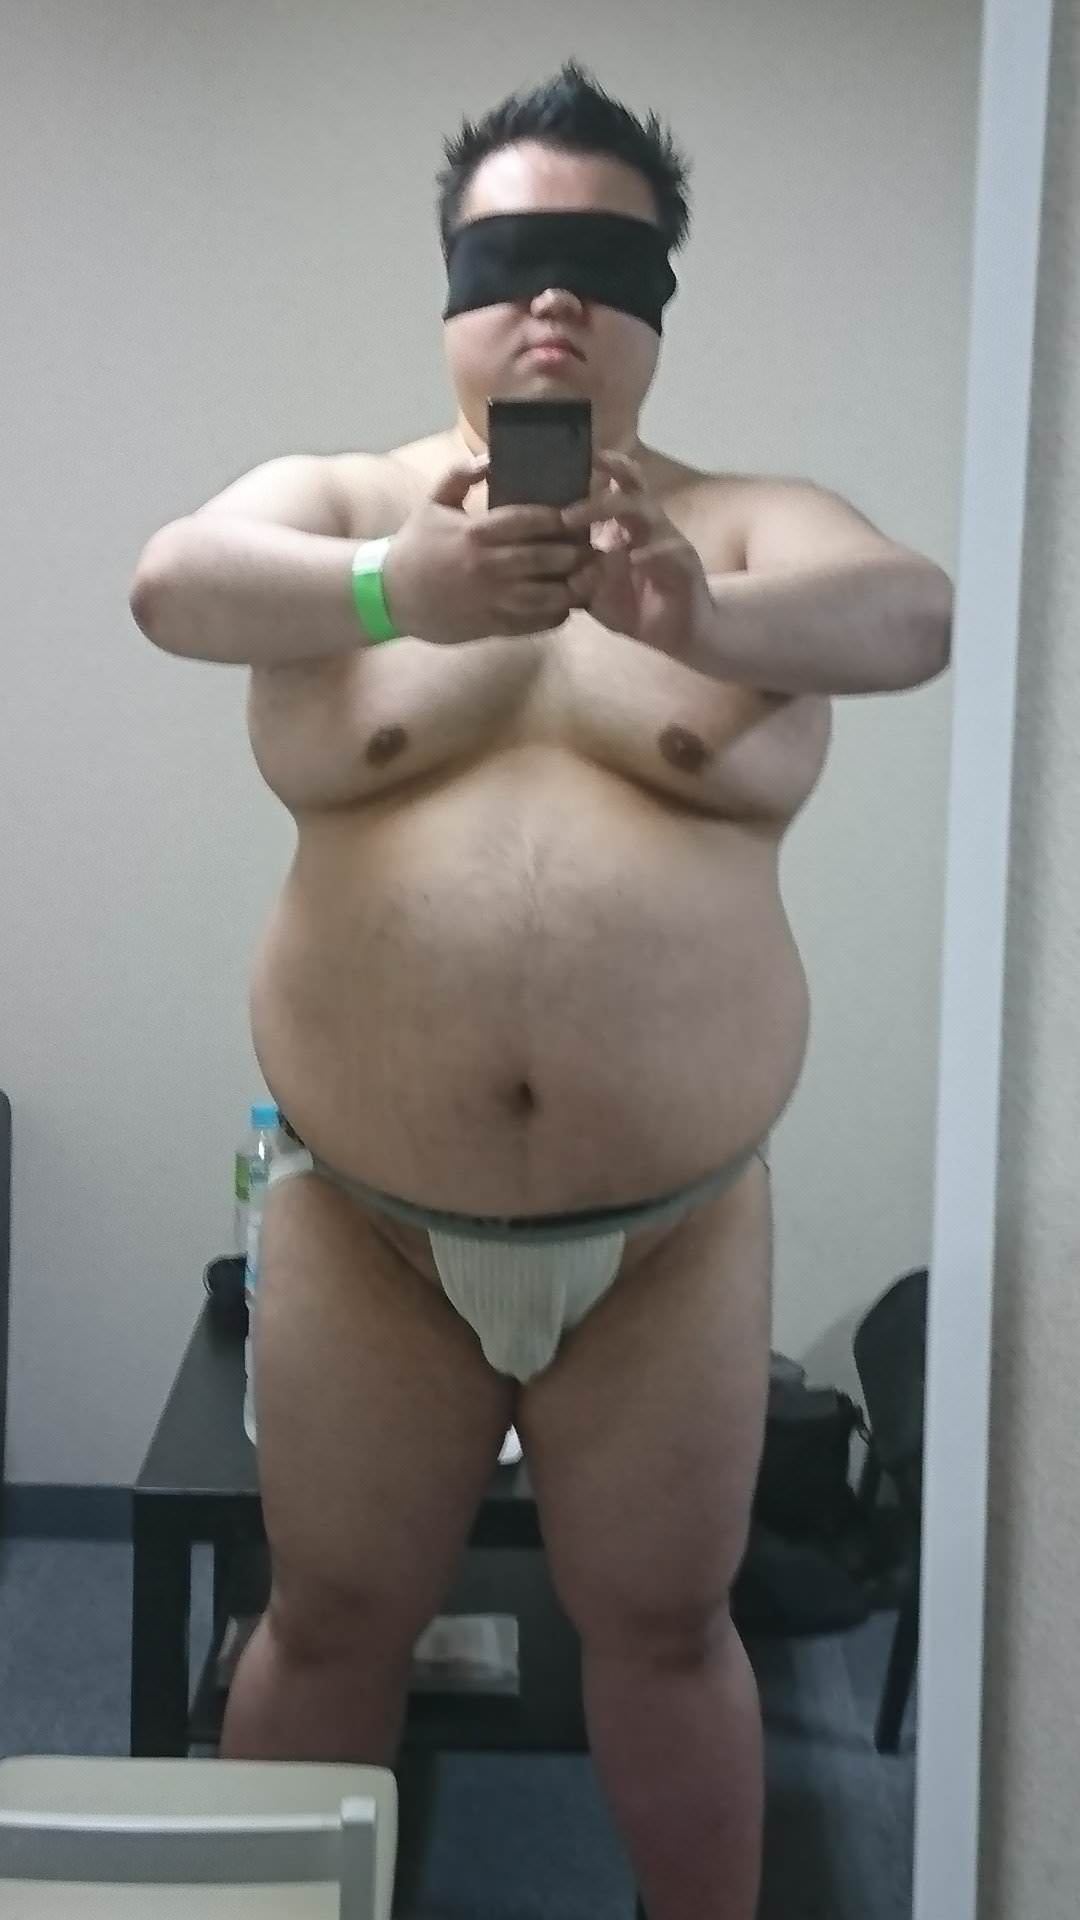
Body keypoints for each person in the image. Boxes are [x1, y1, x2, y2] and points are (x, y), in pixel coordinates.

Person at [129, 60, 951, 1920]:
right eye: (512, 257)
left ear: (661, 305)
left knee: (666, 1633)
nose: (557, 297)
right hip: (370, 1222)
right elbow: (172, 586)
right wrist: (388, 590)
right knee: (331, 1620)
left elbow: (916, 614)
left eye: (607, 262)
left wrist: (702, 619)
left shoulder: (745, 526)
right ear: (451, 293)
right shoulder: (343, 507)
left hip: (665, 1237)